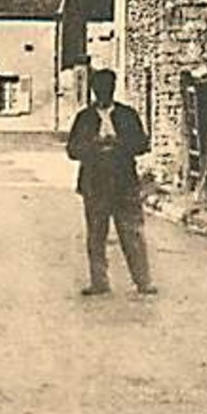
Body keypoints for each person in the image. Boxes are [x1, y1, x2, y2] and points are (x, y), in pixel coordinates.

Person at [66, 68, 156, 297]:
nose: (103, 92)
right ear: (94, 90)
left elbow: (142, 144)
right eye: (99, 89)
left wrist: (119, 143)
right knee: (96, 235)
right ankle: (99, 282)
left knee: (132, 232)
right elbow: (73, 150)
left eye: (107, 88)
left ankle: (143, 281)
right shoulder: (84, 118)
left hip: (124, 183)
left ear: (113, 89)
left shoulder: (127, 115)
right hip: (94, 184)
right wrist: (94, 144)